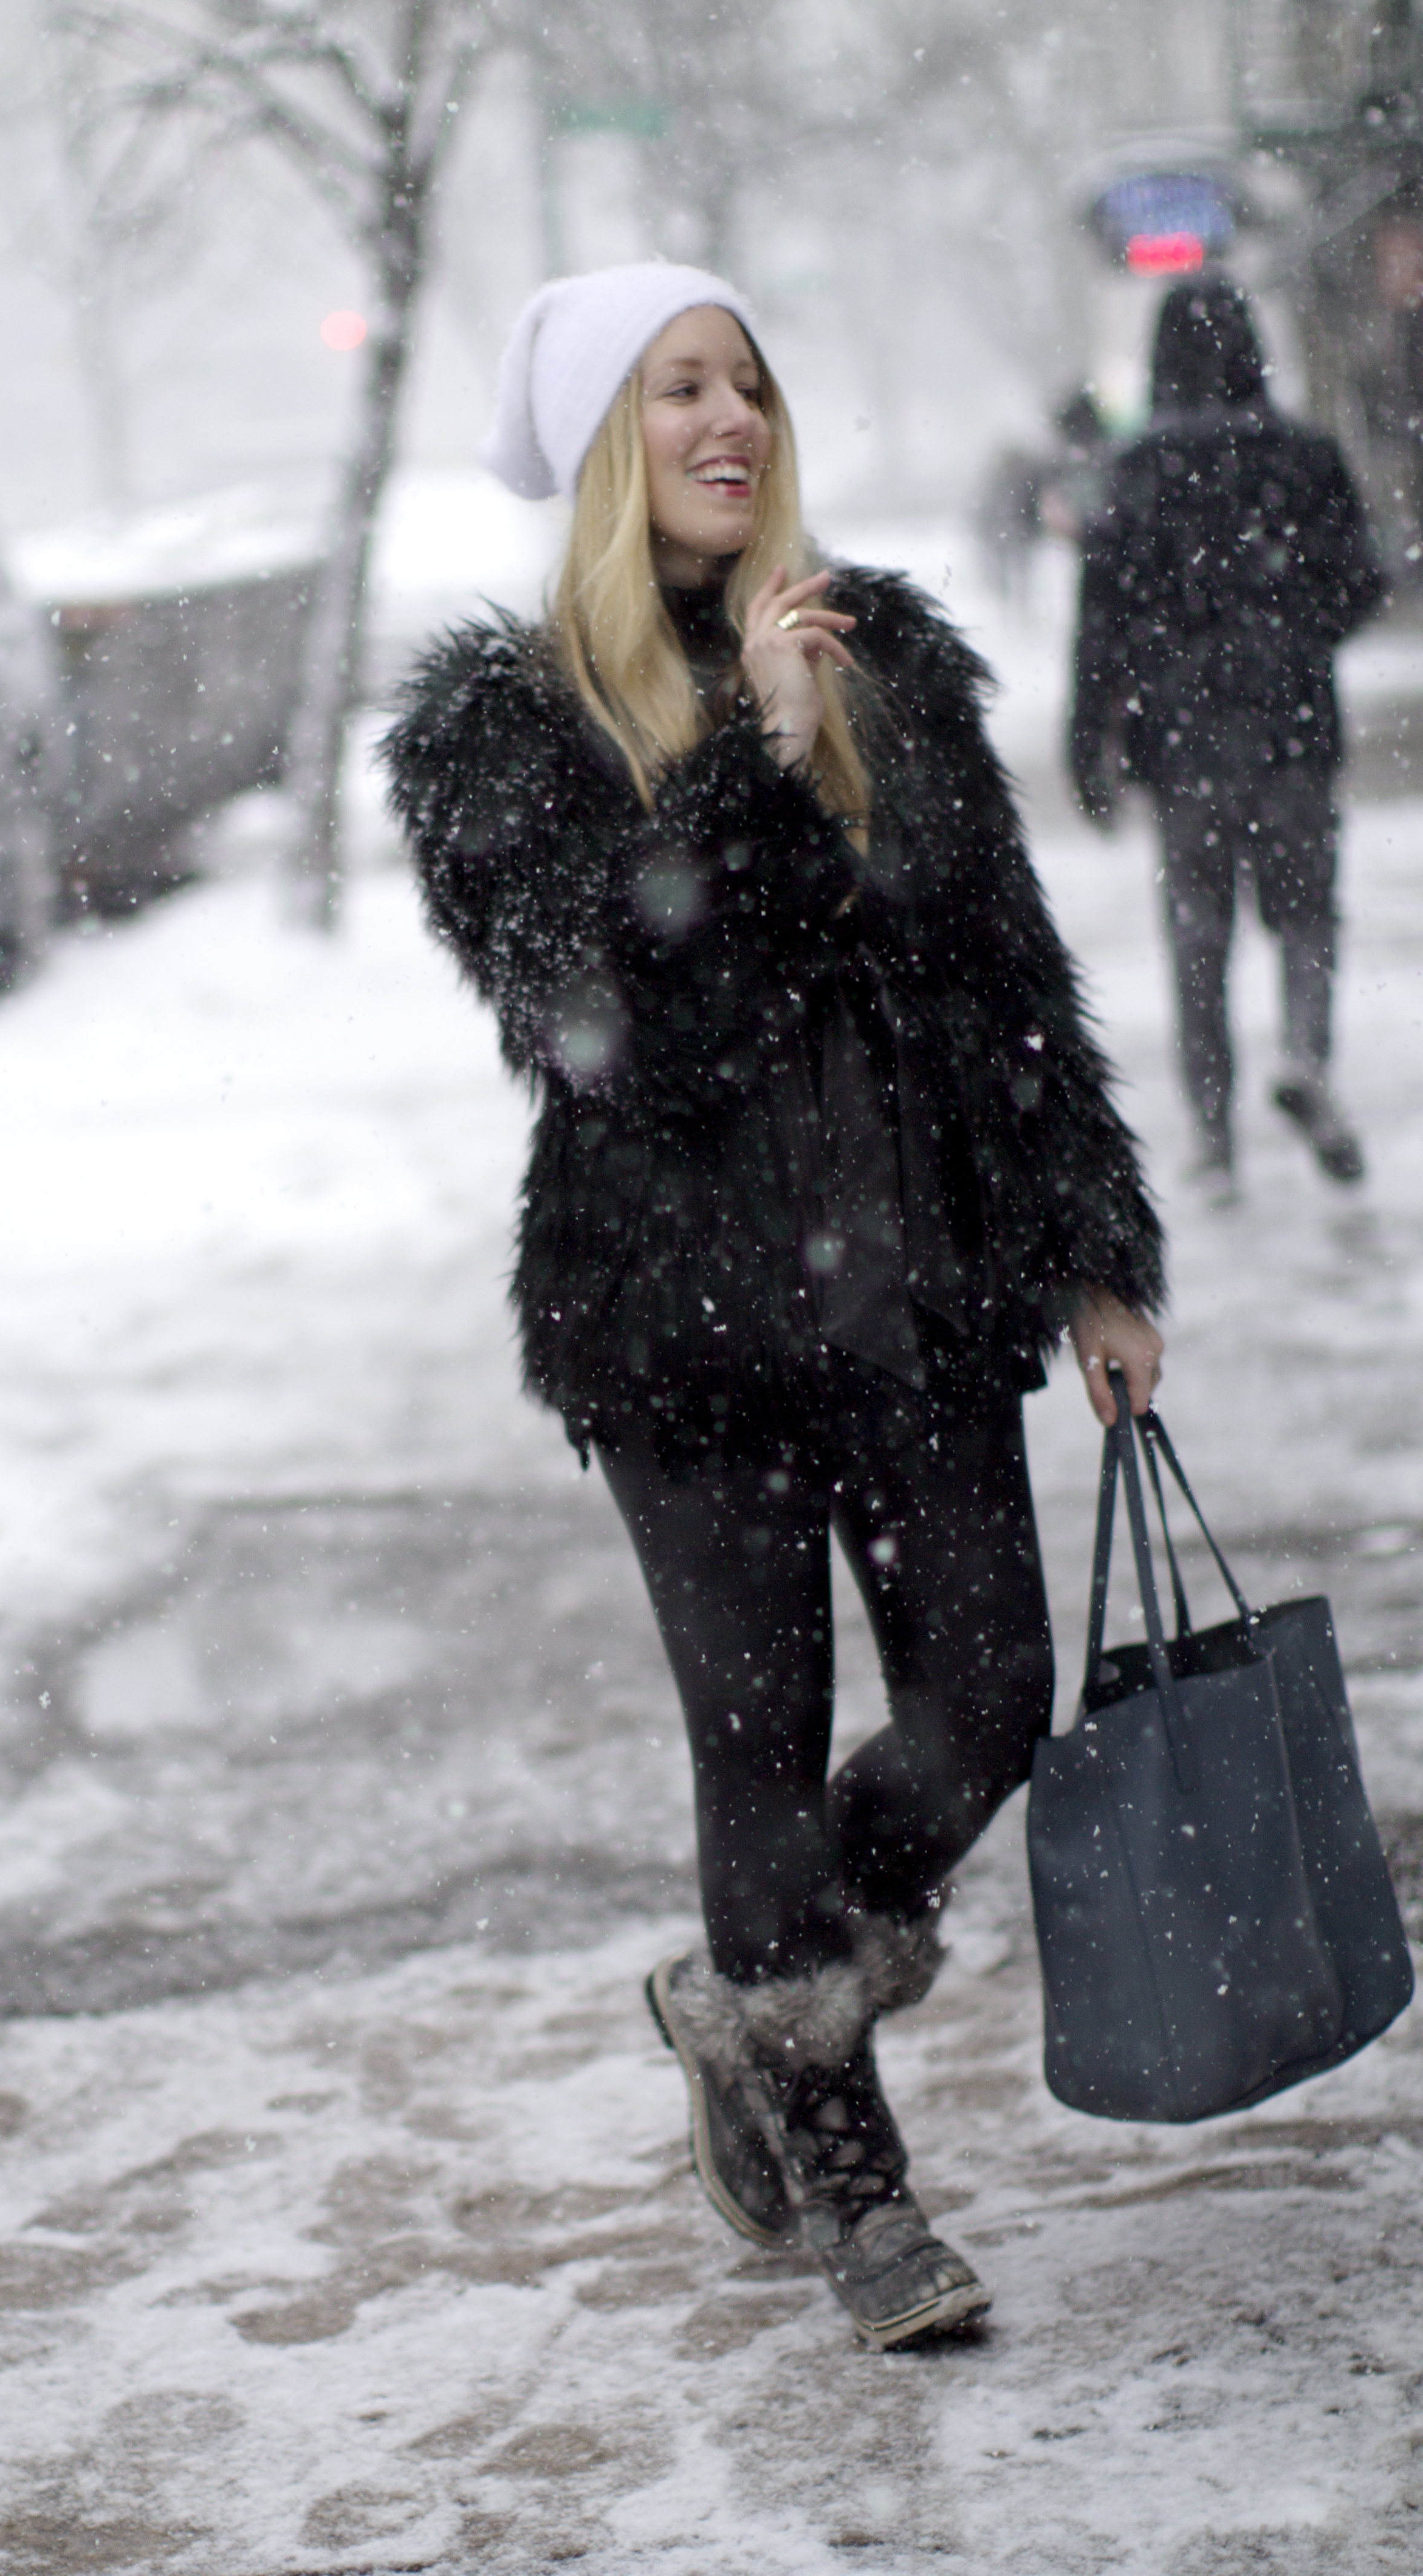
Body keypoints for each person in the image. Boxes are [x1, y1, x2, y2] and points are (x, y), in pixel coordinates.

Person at [382, 262, 1165, 2351]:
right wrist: (748, 754)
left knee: (988, 1698)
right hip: (679, 1343)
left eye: (742, 382)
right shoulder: (496, 725)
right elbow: (605, 1025)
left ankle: (746, 2003)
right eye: (672, 392)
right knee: (754, 1746)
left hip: (910, 1303)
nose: (725, 420)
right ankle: (859, 2193)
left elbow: (1003, 975)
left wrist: (1092, 1248)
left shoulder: (884, 652)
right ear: (591, 450)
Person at [1069, 276, 1386, 1198]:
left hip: (1181, 741)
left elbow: (1101, 622)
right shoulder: (1306, 453)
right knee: (1306, 914)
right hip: (1292, 725)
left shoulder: (1135, 468)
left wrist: (1091, 740)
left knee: (1198, 932)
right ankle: (1306, 1058)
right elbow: (1364, 581)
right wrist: (1294, 632)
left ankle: (1215, 1136)